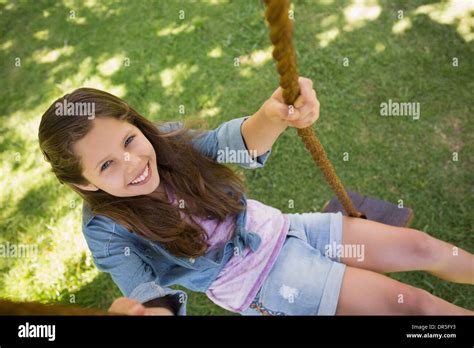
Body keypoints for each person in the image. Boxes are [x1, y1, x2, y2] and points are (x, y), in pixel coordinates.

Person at [38, 77, 473, 316]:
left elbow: (235, 142)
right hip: (264, 283)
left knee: (421, 246)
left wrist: (273, 115)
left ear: (137, 124)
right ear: (84, 184)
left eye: (129, 141)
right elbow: (143, 287)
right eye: (106, 165)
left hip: (286, 229)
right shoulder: (108, 233)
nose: (131, 163)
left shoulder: (168, 144)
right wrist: (149, 311)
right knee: (412, 306)